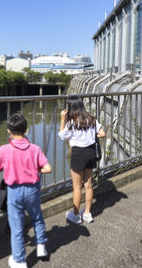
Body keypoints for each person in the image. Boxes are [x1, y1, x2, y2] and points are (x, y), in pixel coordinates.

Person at [0, 113, 52, 268]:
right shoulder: (35, 149)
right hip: (32, 189)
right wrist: (35, 170)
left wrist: (5, 168)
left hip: (14, 191)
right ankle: (41, 247)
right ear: (26, 130)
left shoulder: (4, 150)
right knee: (37, 217)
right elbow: (48, 169)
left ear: (9, 131)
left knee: (16, 227)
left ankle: (19, 260)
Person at [58, 96, 106, 225]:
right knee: (88, 184)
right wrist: (90, 135)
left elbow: (61, 136)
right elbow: (102, 134)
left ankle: (75, 215)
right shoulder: (91, 119)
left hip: (78, 154)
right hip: (91, 152)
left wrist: (62, 119)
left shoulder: (72, 122)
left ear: (71, 108)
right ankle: (87, 213)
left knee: (77, 187)